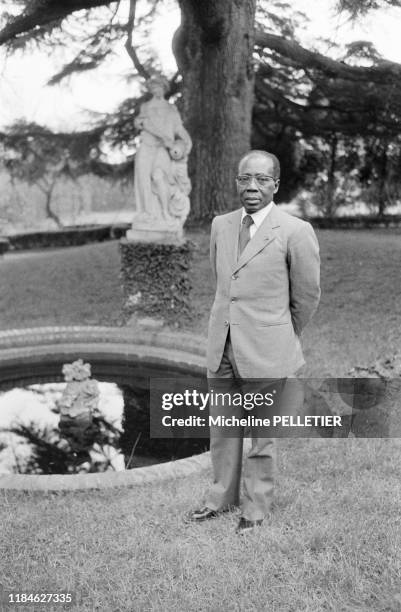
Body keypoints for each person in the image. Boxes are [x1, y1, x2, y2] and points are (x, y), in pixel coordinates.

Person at [186, 150, 321, 534]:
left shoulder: (295, 231)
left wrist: (280, 332)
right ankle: (220, 498)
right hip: (223, 347)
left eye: (262, 180)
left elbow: (307, 296)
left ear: (275, 185)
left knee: (262, 436)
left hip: (268, 351)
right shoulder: (220, 226)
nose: (252, 187)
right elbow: (223, 284)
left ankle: (256, 509)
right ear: (236, 182)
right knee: (223, 429)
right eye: (245, 178)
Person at [133, 75, 192, 225]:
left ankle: (166, 212)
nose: (156, 89)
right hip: (146, 146)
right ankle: (148, 213)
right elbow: (140, 122)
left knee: (159, 177)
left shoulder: (171, 108)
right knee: (143, 179)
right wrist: (138, 122)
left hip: (163, 149)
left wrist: (187, 141)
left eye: (159, 86)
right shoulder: (145, 107)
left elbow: (178, 128)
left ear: (164, 88)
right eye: (153, 87)